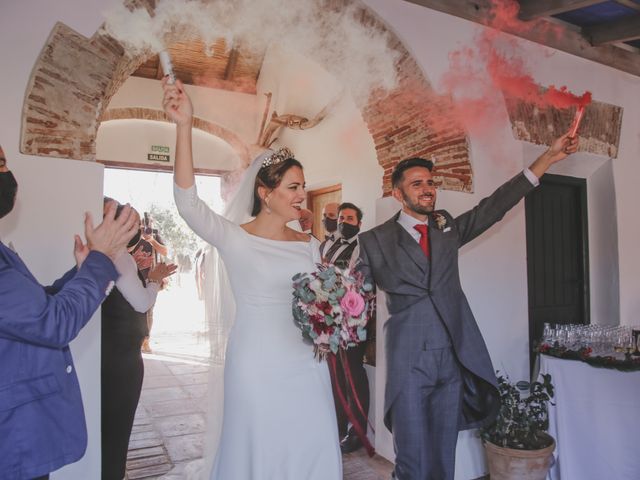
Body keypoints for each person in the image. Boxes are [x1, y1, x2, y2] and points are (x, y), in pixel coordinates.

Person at [357, 132, 578, 480]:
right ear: (398, 194)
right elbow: (354, 293)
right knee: (411, 460)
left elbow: (494, 205)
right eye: (417, 184)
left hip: (452, 361)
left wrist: (547, 159)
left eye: (430, 182)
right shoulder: (373, 240)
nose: (428, 189)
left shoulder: (446, 228)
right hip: (408, 362)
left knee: (444, 457)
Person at [162, 78, 342, 479]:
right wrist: (184, 127)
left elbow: (321, 301)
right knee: (260, 446)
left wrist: (333, 320)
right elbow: (187, 204)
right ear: (265, 192)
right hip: (256, 363)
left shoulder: (310, 244)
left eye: (303, 187)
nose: (301, 194)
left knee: (309, 443)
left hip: (306, 363)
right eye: (293, 187)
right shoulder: (235, 238)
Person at [0, 150, 139, 480]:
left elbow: (37, 305)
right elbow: (53, 323)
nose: (8, 176)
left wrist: (84, 269)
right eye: (1, 165)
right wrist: (102, 258)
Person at [101, 202, 177, 480]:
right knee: (116, 431)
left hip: (103, 353)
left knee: (105, 427)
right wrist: (154, 280)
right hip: (121, 359)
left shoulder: (102, 254)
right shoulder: (119, 258)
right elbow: (141, 302)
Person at [323, 202, 371, 454]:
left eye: (350, 218)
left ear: (359, 223)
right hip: (329, 317)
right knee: (335, 373)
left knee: (353, 371)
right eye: (341, 218)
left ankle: (357, 431)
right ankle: (338, 425)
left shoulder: (364, 246)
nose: (343, 222)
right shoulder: (328, 244)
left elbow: (363, 281)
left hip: (354, 319)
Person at [131, 212, 168, 353]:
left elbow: (164, 251)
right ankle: (136, 339)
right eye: (144, 224)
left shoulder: (154, 236)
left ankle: (146, 340)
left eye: (150, 224)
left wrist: (152, 240)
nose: (147, 227)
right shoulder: (133, 236)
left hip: (151, 279)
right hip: (134, 279)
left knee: (149, 311)